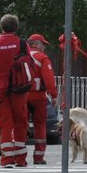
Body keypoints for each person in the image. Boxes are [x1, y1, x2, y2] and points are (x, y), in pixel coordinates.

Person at [0, 13, 30, 168]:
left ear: (1, 27)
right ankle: (20, 159)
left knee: (5, 122)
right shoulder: (22, 44)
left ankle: (7, 159)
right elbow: (28, 64)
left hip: (0, 89)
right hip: (19, 88)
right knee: (21, 122)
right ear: (16, 27)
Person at [25, 33, 58, 165]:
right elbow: (49, 79)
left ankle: (19, 157)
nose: (44, 47)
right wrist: (54, 95)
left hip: (22, 97)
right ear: (37, 44)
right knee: (40, 126)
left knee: (21, 125)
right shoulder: (42, 58)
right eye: (43, 44)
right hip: (38, 97)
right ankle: (38, 157)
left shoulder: (20, 57)